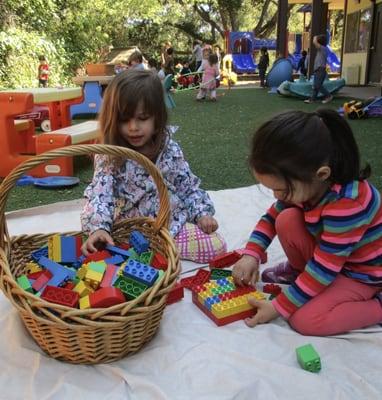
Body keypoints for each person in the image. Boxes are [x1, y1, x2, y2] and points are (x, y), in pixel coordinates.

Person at [232, 109, 382, 336]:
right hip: (334, 261)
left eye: (280, 190)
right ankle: (299, 273)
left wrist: (278, 307)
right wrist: (251, 253)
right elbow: (271, 217)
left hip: (362, 274)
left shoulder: (348, 204)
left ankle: (377, 307)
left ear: (321, 174)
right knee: (286, 219)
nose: (276, 196)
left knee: (306, 320)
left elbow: (324, 269)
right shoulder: (309, 184)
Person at [81, 69, 227, 263]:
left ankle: (157, 248)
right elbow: (100, 193)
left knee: (216, 247)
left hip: (170, 222)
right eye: (124, 120)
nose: (133, 127)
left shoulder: (169, 148)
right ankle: (146, 250)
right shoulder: (110, 154)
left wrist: (202, 213)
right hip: (129, 228)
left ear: (157, 118)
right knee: (103, 250)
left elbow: (187, 185)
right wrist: (99, 227)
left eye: (142, 118)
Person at [304, 35, 333, 104]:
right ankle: (312, 99)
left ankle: (328, 96)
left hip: (320, 70)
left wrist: (314, 38)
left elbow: (315, 43)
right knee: (315, 86)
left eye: (317, 40)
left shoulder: (323, 48)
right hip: (318, 70)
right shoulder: (321, 49)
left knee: (317, 85)